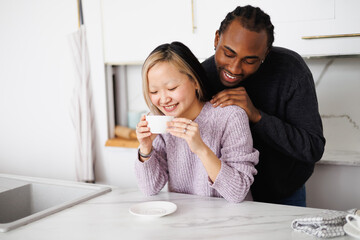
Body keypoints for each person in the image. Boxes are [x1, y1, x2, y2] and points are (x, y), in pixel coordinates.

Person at [201, 5, 326, 206]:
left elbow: (312, 148)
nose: (234, 68)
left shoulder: (291, 72)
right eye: (228, 53)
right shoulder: (201, 77)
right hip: (223, 195)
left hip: (284, 195)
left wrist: (256, 115)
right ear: (217, 39)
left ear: (266, 53)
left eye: (250, 60)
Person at [135, 41, 259, 203]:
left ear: (194, 81)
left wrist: (200, 148)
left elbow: (237, 192)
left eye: (172, 88)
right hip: (185, 219)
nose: (164, 99)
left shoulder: (231, 116)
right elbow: (149, 188)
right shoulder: (159, 121)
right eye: (154, 91)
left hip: (230, 221)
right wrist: (145, 149)